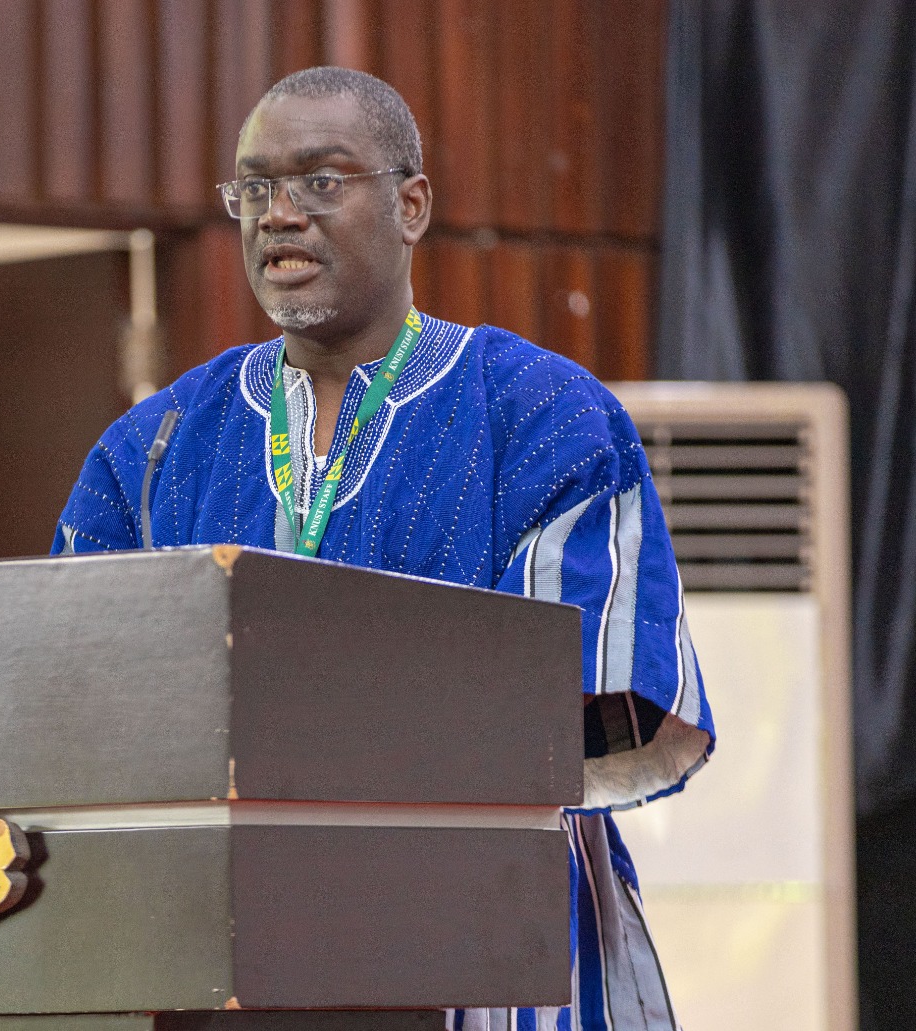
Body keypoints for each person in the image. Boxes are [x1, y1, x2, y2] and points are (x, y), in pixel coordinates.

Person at [51, 67, 714, 1031]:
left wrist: (332, 739)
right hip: (209, 957)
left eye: (321, 181)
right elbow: (71, 707)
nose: (280, 215)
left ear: (410, 205)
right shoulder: (153, 444)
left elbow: (606, 705)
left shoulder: (542, 414)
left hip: (487, 952)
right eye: (255, 189)